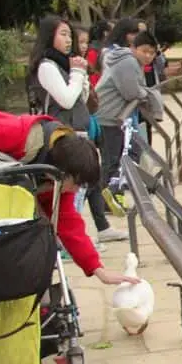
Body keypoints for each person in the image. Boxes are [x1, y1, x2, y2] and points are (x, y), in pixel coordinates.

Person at [0, 111, 140, 287]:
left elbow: (68, 224)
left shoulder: (58, 174)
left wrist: (98, 270)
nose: (75, 190)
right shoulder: (15, 135)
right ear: (64, 172)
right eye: (76, 183)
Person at [26, 16, 126, 245]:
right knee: (70, 192)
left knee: (83, 187)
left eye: (69, 35)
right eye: (62, 34)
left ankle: (87, 235)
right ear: (49, 36)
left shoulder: (65, 64)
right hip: (62, 136)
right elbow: (66, 100)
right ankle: (66, 242)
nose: (68, 39)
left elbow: (79, 99)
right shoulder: (47, 66)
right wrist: (78, 74)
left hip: (78, 133)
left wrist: (81, 78)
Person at [95, 31, 164, 212]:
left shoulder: (129, 61)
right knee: (113, 160)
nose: (148, 56)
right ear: (133, 48)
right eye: (144, 51)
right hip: (109, 117)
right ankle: (108, 201)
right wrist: (147, 94)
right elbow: (131, 92)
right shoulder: (128, 62)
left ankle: (117, 195)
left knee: (130, 153)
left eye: (152, 52)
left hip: (116, 117)